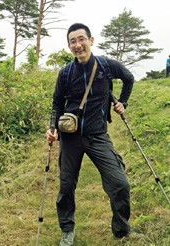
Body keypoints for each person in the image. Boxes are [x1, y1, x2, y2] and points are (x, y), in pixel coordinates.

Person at [46, 23, 144, 246]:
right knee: (66, 185)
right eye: (73, 41)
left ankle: (121, 230)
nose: (78, 45)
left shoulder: (106, 66)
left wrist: (123, 102)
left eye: (81, 39)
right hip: (70, 137)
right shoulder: (66, 72)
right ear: (69, 46)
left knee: (120, 184)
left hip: (98, 135)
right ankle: (67, 230)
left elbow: (129, 78)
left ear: (91, 40)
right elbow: (57, 103)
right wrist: (52, 128)